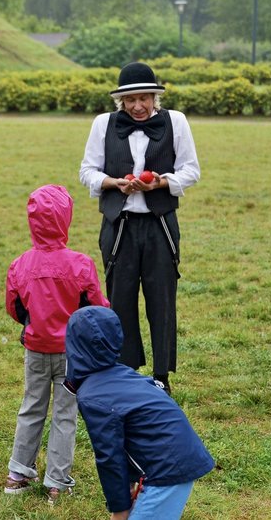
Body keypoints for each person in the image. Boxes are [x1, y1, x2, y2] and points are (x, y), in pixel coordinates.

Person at [78, 62, 200, 394]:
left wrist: (162, 182)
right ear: (121, 101)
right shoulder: (103, 124)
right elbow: (87, 171)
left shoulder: (176, 122)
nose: (138, 107)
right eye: (130, 100)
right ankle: (124, 372)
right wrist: (114, 183)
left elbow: (191, 170)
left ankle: (162, 376)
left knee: (162, 300)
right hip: (119, 226)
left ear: (154, 98)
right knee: (119, 300)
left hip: (160, 225)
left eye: (144, 99)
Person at [3, 184, 109, 503]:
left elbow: (14, 306)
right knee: (65, 413)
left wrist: (33, 323)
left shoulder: (20, 264)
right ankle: (56, 482)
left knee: (31, 406)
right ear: (66, 219)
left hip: (35, 349)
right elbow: (96, 307)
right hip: (72, 355)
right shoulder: (80, 264)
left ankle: (17, 474)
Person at [64, 306, 214, 519]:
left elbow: (110, 456)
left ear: (73, 346)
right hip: (177, 456)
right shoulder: (124, 374)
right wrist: (132, 483)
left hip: (165, 471)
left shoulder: (92, 397)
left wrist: (120, 509)